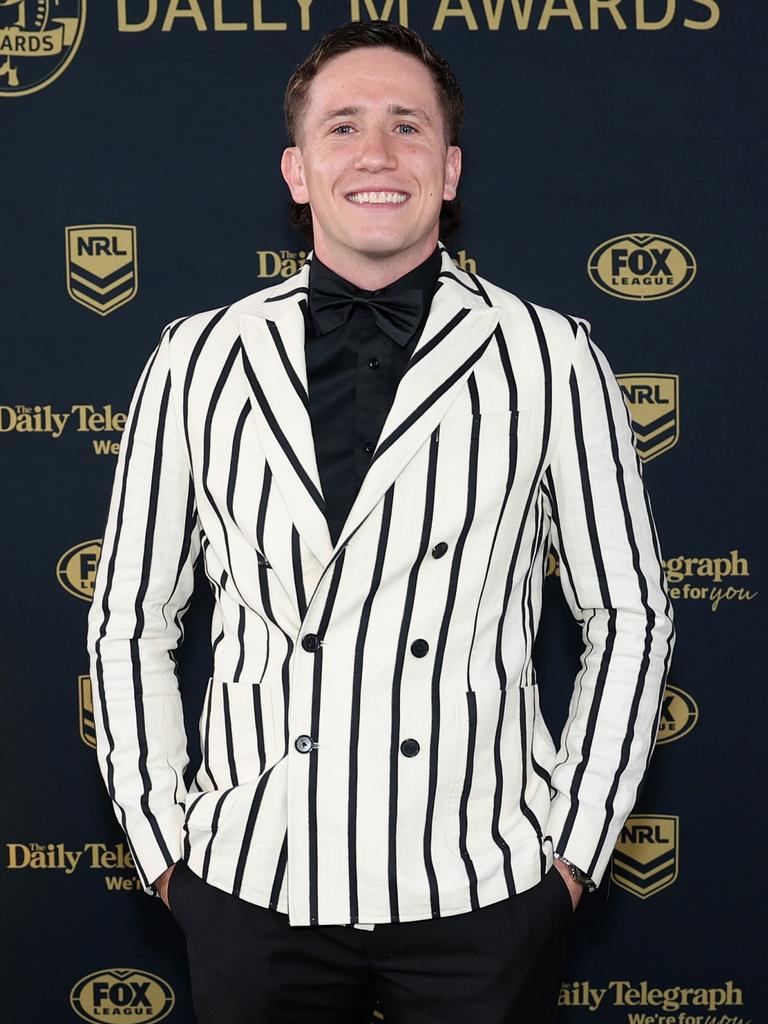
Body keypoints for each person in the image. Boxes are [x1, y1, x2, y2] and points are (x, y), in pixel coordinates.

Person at [87, 19, 675, 1024]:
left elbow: (629, 613)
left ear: (448, 170)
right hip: (254, 882)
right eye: (344, 126)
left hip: (480, 886)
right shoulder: (195, 359)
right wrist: (164, 848)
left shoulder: (553, 357)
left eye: (407, 127)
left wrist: (573, 853)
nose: (375, 153)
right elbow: (130, 618)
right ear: (298, 169)